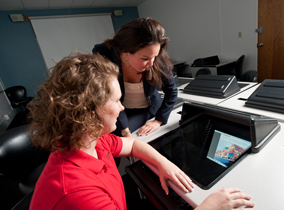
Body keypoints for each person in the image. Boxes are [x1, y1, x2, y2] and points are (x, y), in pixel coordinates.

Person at [28, 53, 255, 210]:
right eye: (116, 101)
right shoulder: (80, 194)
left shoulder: (91, 141)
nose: (122, 107)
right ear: (88, 112)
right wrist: (209, 206)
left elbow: (134, 145)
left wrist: (164, 164)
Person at [92, 17, 178, 138]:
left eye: (155, 56)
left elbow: (172, 91)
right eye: (145, 59)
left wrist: (158, 120)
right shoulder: (104, 55)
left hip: (149, 108)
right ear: (126, 52)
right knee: (109, 138)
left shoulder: (154, 56)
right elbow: (109, 97)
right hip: (120, 109)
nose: (151, 63)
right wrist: (125, 131)